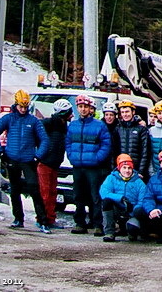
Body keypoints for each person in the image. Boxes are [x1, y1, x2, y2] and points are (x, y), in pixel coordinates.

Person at [0, 89, 51, 233]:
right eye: (21, 107)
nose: (23, 109)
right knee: (15, 189)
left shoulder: (33, 120)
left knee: (34, 189)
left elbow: (44, 139)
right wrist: (0, 151)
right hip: (11, 157)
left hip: (28, 159)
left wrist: (38, 156)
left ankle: (43, 220)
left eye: (25, 107)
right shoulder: (9, 118)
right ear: (16, 105)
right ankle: (18, 218)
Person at [66, 94, 112, 236]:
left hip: (93, 167)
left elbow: (106, 144)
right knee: (78, 195)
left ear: (91, 109)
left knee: (95, 196)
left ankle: (98, 224)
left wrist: (97, 158)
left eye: (86, 107)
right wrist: (71, 156)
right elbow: (68, 142)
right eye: (80, 106)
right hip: (78, 166)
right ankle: (80, 223)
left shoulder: (99, 125)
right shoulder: (73, 125)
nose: (83, 109)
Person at [38, 98, 73, 228]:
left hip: (55, 164)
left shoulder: (64, 126)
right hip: (45, 162)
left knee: (53, 193)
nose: (72, 115)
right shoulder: (47, 123)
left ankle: (50, 219)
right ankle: (42, 219)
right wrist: (39, 155)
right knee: (45, 193)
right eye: (70, 112)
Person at [99, 154, 146, 242]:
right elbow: (104, 192)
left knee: (133, 229)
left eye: (129, 168)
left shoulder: (139, 182)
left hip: (131, 212)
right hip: (117, 209)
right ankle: (109, 232)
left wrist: (133, 208)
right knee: (106, 202)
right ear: (119, 168)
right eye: (124, 168)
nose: (127, 171)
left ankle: (131, 232)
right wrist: (121, 198)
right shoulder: (111, 178)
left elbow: (142, 200)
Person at [114, 100, 151, 181]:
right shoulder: (118, 128)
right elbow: (114, 151)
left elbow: (145, 152)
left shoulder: (141, 129)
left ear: (133, 112)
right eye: (122, 112)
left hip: (136, 169)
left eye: (127, 111)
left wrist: (141, 171)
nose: (125, 114)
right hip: (121, 169)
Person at [101, 102, 121, 167]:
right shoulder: (100, 127)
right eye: (106, 115)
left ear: (115, 116)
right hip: (103, 161)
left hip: (116, 160)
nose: (109, 117)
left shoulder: (120, 127)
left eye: (111, 115)